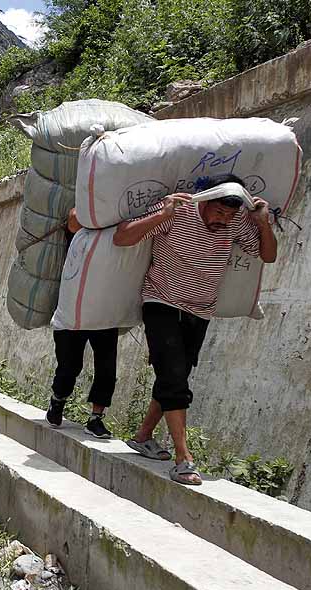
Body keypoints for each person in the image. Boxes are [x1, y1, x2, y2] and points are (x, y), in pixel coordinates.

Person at [112, 175, 277, 485]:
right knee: (174, 375)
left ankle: (143, 436)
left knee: (176, 374)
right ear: (205, 200)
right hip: (161, 300)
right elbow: (121, 238)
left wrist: (263, 223)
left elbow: (267, 255)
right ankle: (183, 458)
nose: (223, 220)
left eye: (229, 215)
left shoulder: (237, 220)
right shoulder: (179, 210)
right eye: (218, 212)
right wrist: (162, 215)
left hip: (200, 310)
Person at [46, 208, 118, 438]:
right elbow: (74, 218)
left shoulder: (118, 229)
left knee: (106, 368)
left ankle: (96, 418)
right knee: (69, 366)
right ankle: (58, 400)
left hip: (105, 310)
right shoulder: (81, 225)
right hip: (73, 310)